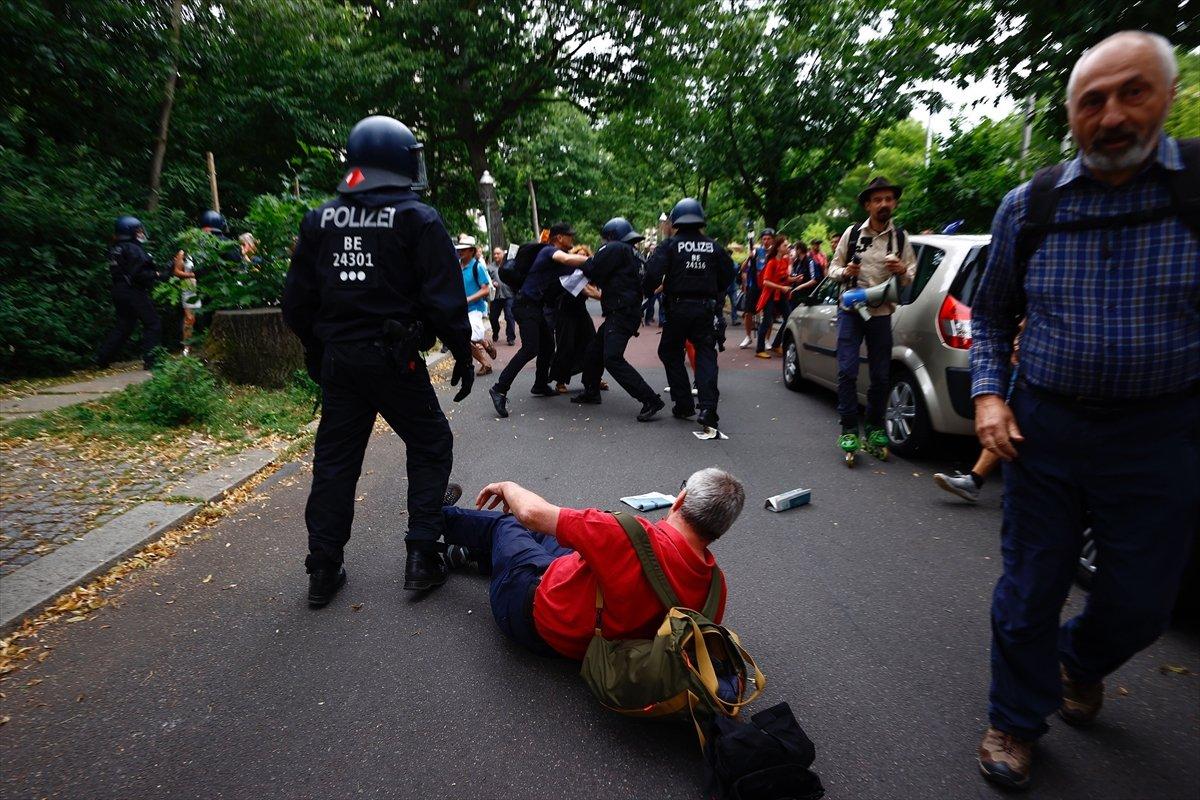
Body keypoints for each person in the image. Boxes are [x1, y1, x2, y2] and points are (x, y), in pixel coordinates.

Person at [970, 32, 1199, 790]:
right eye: (1091, 101)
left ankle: (1081, 659)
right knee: (1029, 585)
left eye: (1132, 92)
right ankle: (1014, 719)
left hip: (1161, 433)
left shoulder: (1192, 192)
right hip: (1046, 428)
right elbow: (993, 315)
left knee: (1142, 603)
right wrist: (990, 395)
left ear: (1166, 96)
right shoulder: (1028, 207)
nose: (1111, 115)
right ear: (1071, 114)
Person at [282, 115, 475, 604]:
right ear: (397, 159)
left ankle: (322, 570)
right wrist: (460, 351)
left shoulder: (320, 219)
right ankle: (422, 554)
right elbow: (445, 298)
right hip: (394, 358)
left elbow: (296, 302)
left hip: (340, 360)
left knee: (335, 461)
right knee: (430, 442)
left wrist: (316, 349)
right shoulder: (418, 218)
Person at [439, 467, 744, 659]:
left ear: (679, 500)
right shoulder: (716, 586)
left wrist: (508, 486)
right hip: (595, 643)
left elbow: (531, 512)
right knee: (547, 538)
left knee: (508, 526)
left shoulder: (627, 535)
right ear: (719, 530)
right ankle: (469, 555)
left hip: (528, 611)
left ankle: (432, 517)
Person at [826, 177, 917, 455]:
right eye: (878, 200)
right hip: (851, 312)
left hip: (880, 313)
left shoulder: (900, 238)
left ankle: (875, 428)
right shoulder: (852, 234)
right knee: (847, 370)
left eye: (889, 199)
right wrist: (845, 273)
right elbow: (832, 268)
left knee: (880, 375)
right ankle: (850, 430)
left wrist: (902, 269)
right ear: (868, 205)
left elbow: (911, 277)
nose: (884, 204)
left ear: (895, 203)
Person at [644, 198, 737, 431]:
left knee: (669, 351)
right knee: (706, 354)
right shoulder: (713, 246)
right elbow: (728, 275)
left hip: (677, 309)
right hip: (704, 309)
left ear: (676, 221)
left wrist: (647, 292)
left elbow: (652, 273)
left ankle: (684, 402)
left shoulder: (670, 246)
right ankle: (708, 409)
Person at [488, 222, 588, 418]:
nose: (573, 239)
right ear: (559, 238)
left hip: (534, 307)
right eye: (570, 236)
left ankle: (540, 384)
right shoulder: (549, 251)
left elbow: (579, 277)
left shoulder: (558, 263)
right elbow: (567, 258)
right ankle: (499, 388)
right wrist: (595, 259)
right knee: (530, 348)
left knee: (548, 345)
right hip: (525, 306)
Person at [570, 217, 665, 421]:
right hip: (626, 312)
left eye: (605, 239)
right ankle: (591, 390)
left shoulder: (615, 248)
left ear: (612, 236)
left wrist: (573, 261)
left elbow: (592, 269)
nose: (603, 243)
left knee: (612, 358)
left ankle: (650, 399)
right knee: (594, 350)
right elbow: (647, 283)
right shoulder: (635, 253)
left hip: (621, 312)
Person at [96, 215, 162, 371]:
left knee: (124, 325)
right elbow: (140, 274)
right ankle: (151, 361)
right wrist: (158, 275)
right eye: (138, 230)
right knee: (153, 323)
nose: (141, 233)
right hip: (133, 290)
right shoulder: (133, 248)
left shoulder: (116, 248)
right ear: (130, 231)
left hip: (119, 290)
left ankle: (102, 358)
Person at [172, 210, 235, 356]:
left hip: (205, 286)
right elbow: (177, 271)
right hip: (204, 287)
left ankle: (213, 349)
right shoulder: (191, 249)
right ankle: (190, 348)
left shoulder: (202, 245)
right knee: (193, 317)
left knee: (209, 318)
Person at [455, 234, 496, 376]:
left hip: (476, 308)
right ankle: (485, 348)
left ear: (472, 251)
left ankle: (485, 357)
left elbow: (485, 289)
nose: (460, 251)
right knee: (463, 338)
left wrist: (467, 299)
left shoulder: (478, 267)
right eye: (459, 249)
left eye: (464, 249)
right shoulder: (457, 267)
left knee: (466, 337)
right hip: (461, 310)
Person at [754, 235, 790, 357]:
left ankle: (775, 344)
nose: (787, 247)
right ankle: (759, 349)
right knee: (767, 321)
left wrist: (794, 278)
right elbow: (766, 282)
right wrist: (782, 287)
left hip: (780, 294)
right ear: (779, 247)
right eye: (785, 245)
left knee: (788, 318)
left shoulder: (785, 260)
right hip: (770, 294)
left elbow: (784, 278)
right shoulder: (771, 262)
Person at [738, 228, 774, 349]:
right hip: (754, 286)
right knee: (748, 312)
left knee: (769, 314)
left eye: (769, 238)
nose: (766, 241)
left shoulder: (776, 253)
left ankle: (766, 340)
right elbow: (742, 269)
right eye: (764, 239)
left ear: (773, 240)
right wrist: (749, 257)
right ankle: (748, 337)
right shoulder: (756, 251)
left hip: (768, 287)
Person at [487, 246, 516, 345]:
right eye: (494, 254)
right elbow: (485, 281)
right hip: (496, 296)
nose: (495, 255)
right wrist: (491, 282)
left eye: (498, 253)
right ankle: (496, 331)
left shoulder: (509, 265)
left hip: (509, 295)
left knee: (509, 316)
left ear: (503, 254)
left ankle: (510, 337)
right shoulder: (490, 267)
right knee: (493, 317)